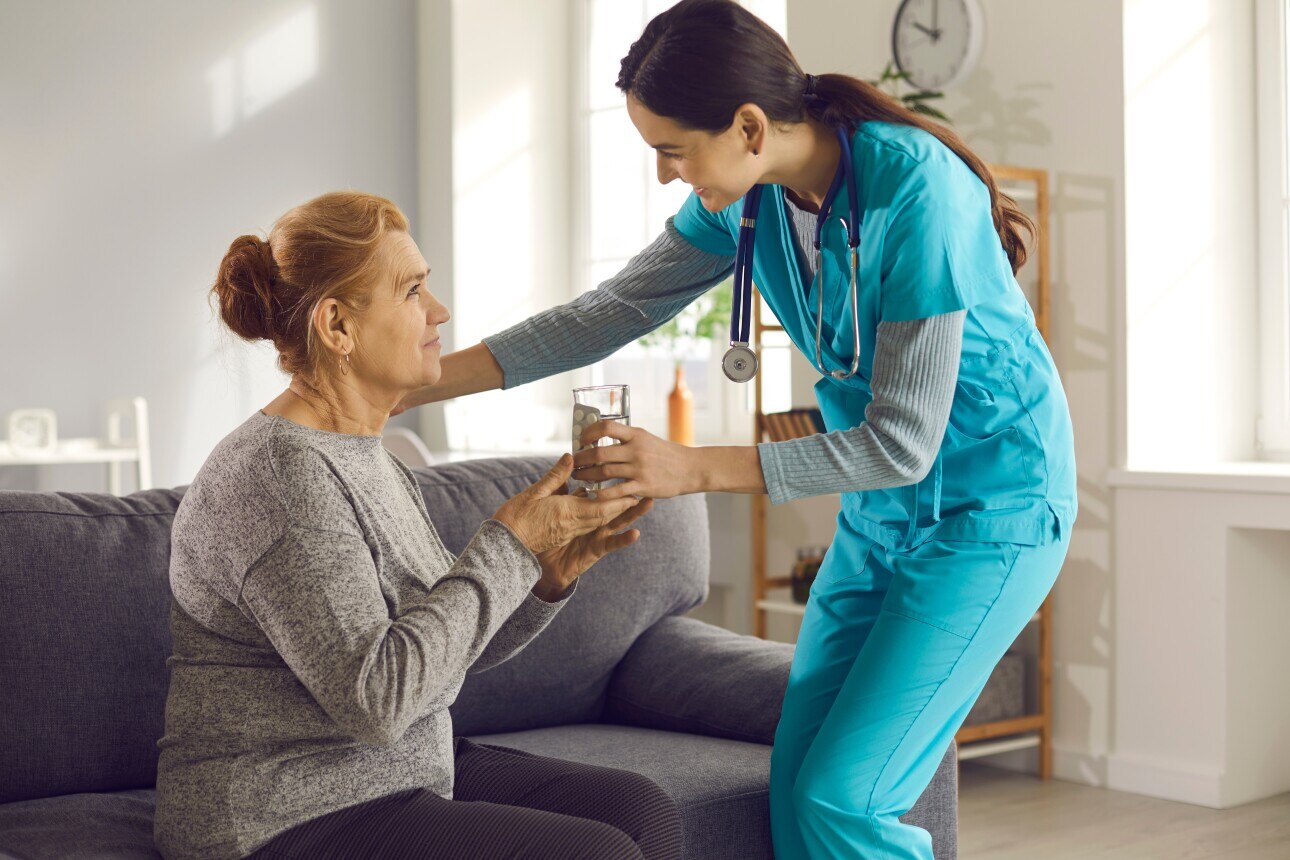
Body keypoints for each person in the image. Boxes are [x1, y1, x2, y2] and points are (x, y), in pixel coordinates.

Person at [393, 1, 1078, 857]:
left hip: (990, 514)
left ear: (749, 126)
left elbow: (904, 442)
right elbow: (607, 312)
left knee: (845, 799)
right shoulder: (751, 204)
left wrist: (690, 468)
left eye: (672, 151)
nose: (665, 175)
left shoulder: (918, 191)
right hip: (880, 517)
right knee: (797, 789)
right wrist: (413, 386)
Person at [153, 190, 680, 860]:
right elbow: (378, 699)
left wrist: (542, 576)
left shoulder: (366, 454)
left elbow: (440, 655)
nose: (440, 311)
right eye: (411, 291)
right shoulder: (278, 477)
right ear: (337, 326)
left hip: (396, 771)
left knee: (639, 810)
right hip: (285, 811)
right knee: (593, 853)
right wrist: (507, 545)